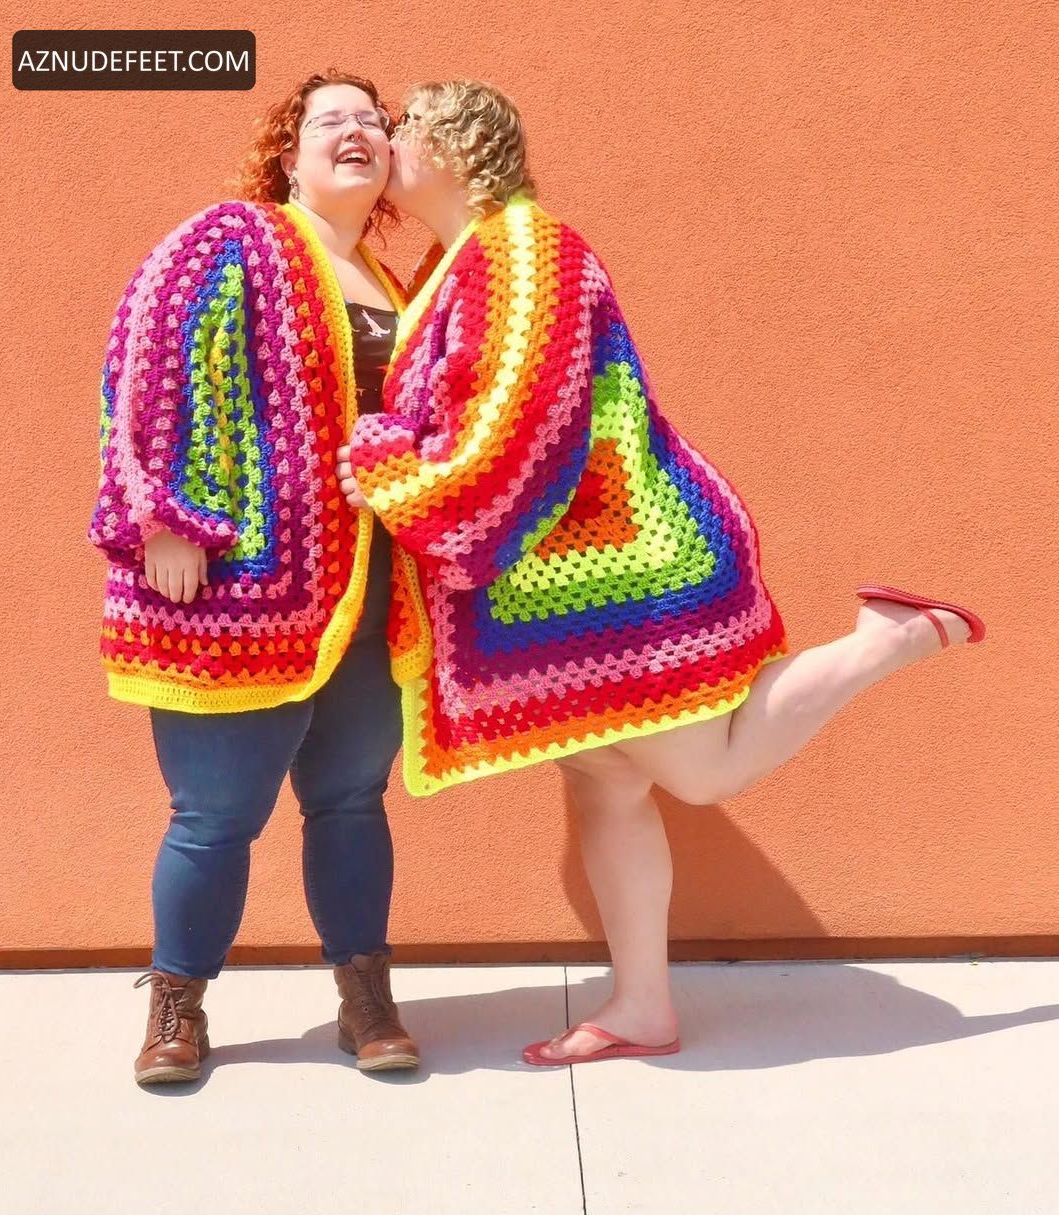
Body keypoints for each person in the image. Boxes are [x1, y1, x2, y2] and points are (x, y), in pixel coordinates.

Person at [338, 79, 986, 1067]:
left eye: (407, 125)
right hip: (564, 586)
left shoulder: (526, 251)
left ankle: (882, 640)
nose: (390, 139)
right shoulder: (462, 260)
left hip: (621, 573)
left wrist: (388, 466)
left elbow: (515, 430)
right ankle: (642, 1004)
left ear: (460, 147)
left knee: (704, 768)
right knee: (606, 783)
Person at [89, 68, 422, 1085]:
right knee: (215, 812)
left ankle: (365, 996)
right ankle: (176, 1006)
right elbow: (146, 363)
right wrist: (163, 517)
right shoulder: (232, 237)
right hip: (237, 593)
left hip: (367, 588)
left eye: (372, 121)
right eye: (331, 121)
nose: (356, 132)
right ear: (288, 153)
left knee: (353, 796)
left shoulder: (388, 279)